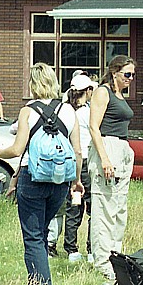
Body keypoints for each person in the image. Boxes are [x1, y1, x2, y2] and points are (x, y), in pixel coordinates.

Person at [0, 63, 82, 285]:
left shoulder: (28, 111)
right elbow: (77, 151)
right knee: (42, 232)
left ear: (33, 85)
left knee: (34, 237)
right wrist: (76, 181)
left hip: (33, 178)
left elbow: (17, 149)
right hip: (60, 181)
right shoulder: (69, 110)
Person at [88, 56, 136, 285]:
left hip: (122, 147)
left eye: (132, 75)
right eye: (127, 74)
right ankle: (102, 259)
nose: (130, 79)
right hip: (107, 146)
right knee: (104, 208)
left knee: (118, 208)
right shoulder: (102, 92)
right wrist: (105, 158)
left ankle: (115, 257)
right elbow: (94, 126)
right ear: (115, 72)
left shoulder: (120, 95)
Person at [50, 72, 96, 262]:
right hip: (85, 162)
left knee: (73, 206)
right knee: (93, 207)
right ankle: (92, 248)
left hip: (68, 163)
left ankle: (71, 248)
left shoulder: (65, 110)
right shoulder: (87, 112)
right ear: (88, 91)